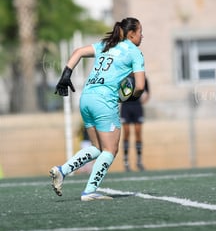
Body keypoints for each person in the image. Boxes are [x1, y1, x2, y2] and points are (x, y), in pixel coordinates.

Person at [50, 17, 146, 201]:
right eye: (141, 32)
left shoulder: (106, 44)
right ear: (132, 34)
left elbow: (77, 52)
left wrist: (66, 75)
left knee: (97, 147)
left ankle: (62, 171)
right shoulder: (135, 52)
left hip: (86, 98)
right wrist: (130, 97)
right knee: (110, 150)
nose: (143, 35)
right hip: (104, 101)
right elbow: (140, 86)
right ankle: (90, 190)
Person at [121, 75, 150, 172]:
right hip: (126, 107)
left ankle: (139, 161)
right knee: (126, 133)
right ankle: (126, 161)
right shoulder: (123, 76)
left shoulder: (142, 77)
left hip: (137, 107)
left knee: (138, 133)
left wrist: (143, 100)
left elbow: (147, 92)